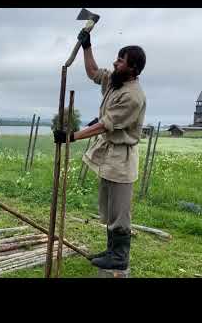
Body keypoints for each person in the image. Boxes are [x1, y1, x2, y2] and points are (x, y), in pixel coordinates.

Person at [54, 30, 146, 271]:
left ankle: (120, 256)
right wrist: (87, 46)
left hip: (122, 158)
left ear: (133, 68)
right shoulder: (116, 81)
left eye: (121, 60)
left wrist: (71, 136)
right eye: (117, 58)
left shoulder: (132, 97)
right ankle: (111, 251)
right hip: (109, 154)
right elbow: (93, 72)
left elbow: (105, 124)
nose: (115, 62)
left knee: (119, 210)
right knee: (108, 207)